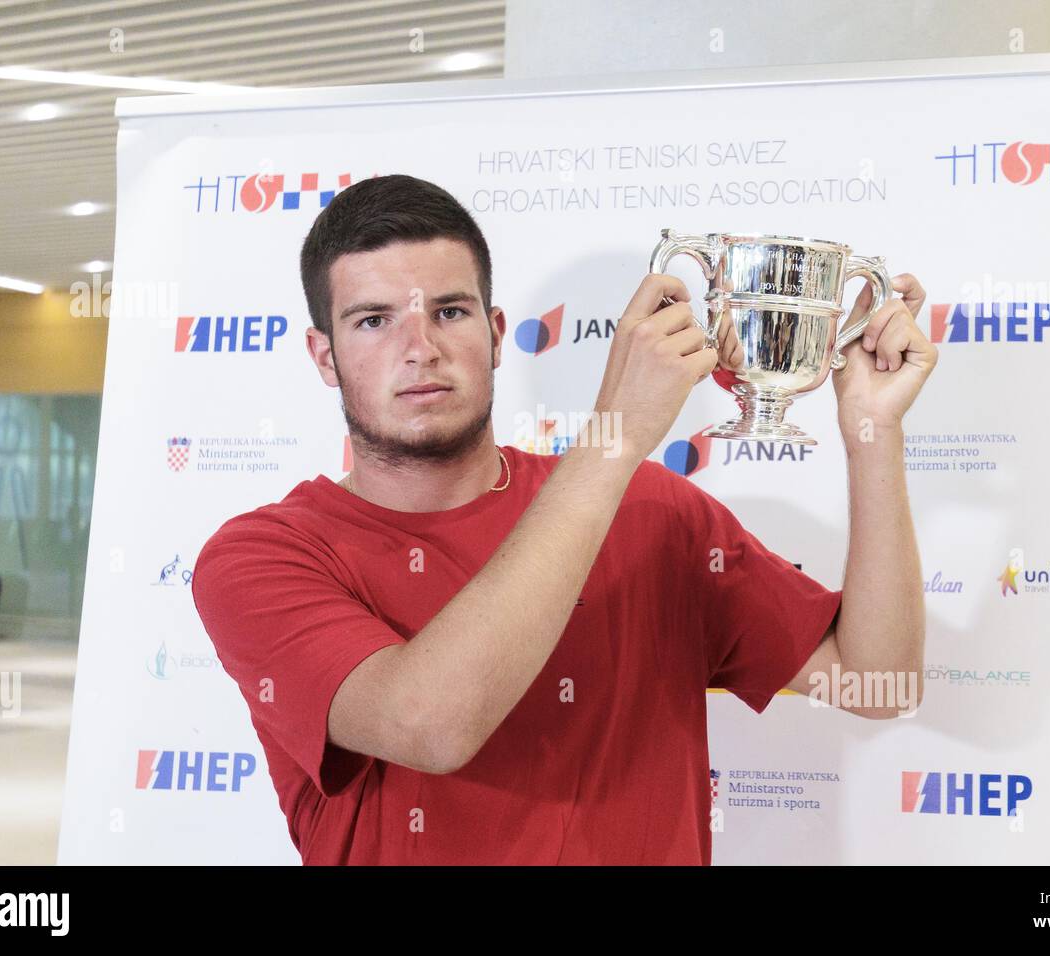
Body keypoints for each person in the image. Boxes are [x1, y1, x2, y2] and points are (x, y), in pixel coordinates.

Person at [191, 174, 937, 865]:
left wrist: (873, 432)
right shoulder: (260, 557)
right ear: (324, 356)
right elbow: (432, 724)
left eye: (449, 312)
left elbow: (878, 682)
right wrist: (614, 437)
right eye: (373, 321)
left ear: (495, 331)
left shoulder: (653, 509)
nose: (419, 349)